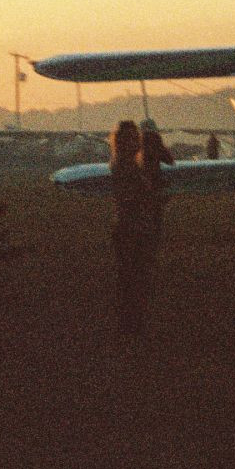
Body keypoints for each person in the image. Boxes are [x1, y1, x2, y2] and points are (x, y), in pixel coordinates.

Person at [107, 119, 157, 346]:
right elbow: (136, 195)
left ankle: (131, 323)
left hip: (129, 225)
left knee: (132, 276)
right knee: (133, 276)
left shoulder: (123, 164)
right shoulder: (126, 167)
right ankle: (131, 324)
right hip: (131, 226)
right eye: (129, 138)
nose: (133, 142)